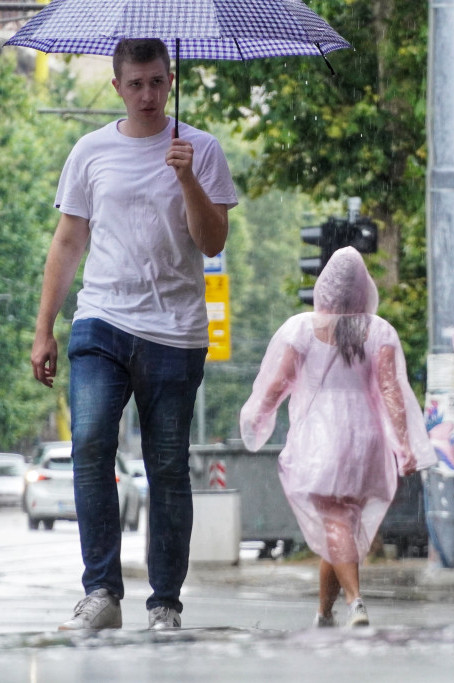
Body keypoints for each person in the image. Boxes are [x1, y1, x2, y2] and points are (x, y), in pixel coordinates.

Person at [30, 38, 237, 631]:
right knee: (91, 441)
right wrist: (44, 329)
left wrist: (188, 179)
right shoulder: (90, 151)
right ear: (117, 87)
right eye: (136, 84)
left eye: (157, 82)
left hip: (175, 332)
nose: (148, 95)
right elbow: (68, 242)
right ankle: (101, 593)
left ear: (171, 81)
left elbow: (212, 242)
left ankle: (165, 603)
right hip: (102, 319)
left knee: (167, 464)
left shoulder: (201, 148)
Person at [239, 247, 435, 628]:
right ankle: (323, 612)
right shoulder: (378, 331)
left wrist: (257, 414)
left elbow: (277, 383)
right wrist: (404, 445)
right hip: (367, 437)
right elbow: (392, 391)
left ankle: (355, 601)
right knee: (342, 523)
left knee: (335, 522)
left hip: (322, 437)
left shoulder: (301, 329)